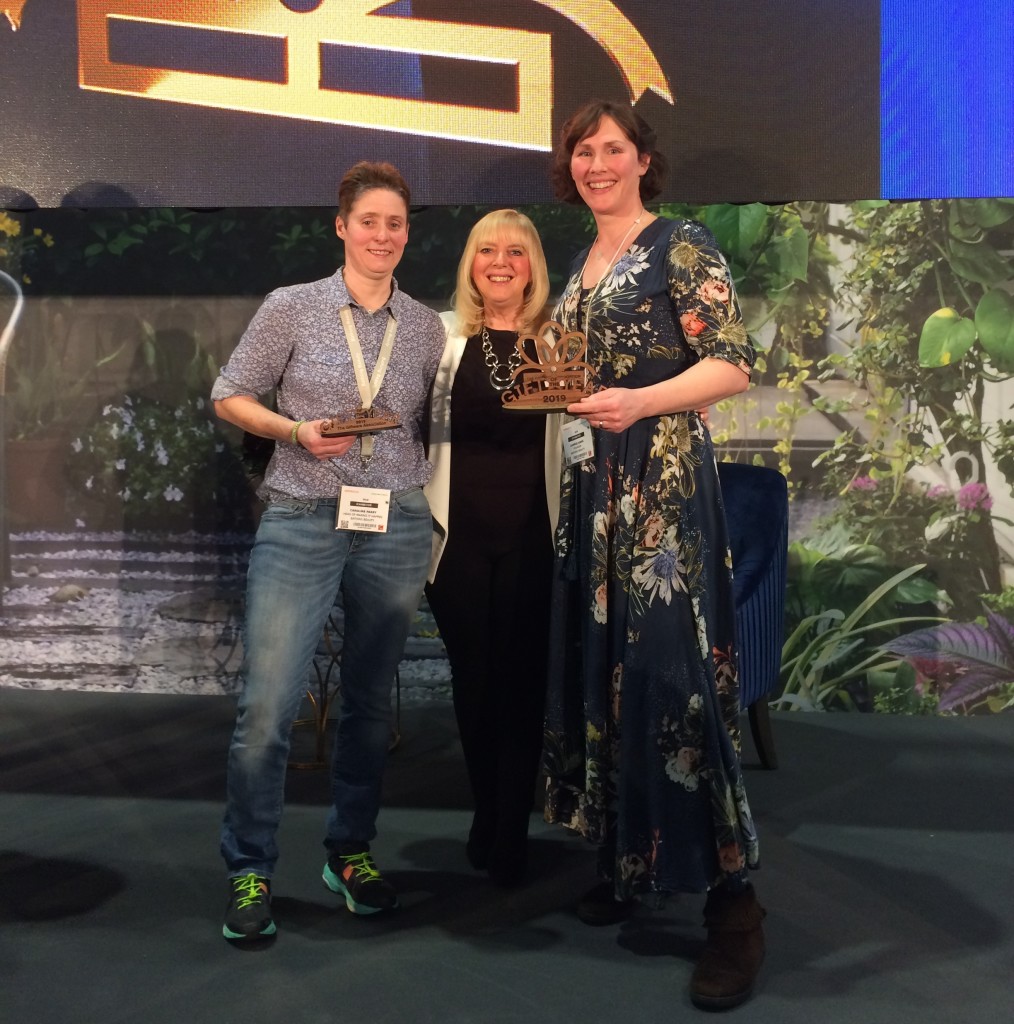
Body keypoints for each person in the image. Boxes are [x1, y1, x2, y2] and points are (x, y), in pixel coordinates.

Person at [541, 100, 764, 1010]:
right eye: (584, 152)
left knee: (674, 678)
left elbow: (734, 364)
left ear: (643, 160)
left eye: (613, 150)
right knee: (606, 669)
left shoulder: (680, 242)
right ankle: (627, 857)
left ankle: (735, 904)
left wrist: (638, 404)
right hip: (594, 489)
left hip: (661, 481)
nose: (598, 164)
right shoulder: (580, 262)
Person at [211, 161, 445, 942]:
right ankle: (250, 866)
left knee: (372, 705)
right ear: (341, 227)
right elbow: (229, 393)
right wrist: (294, 432)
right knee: (269, 708)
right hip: (303, 514)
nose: (384, 235)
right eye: (370, 221)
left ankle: (349, 851)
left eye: (396, 224)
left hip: (395, 522)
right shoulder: (294, 308)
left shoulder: (424, 326)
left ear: (408, 234)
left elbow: (423, 427)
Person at [424, 209, 557, 886]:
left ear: (533, 265)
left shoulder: (562, 342)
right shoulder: (440, 340)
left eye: (515, 251)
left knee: (522, 688)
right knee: (476, 688)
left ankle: (510, 832)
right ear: (470, 264)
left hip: (536, 542)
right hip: (458, 546)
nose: (499, 262)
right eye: (486, 251)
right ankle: (488, 811)